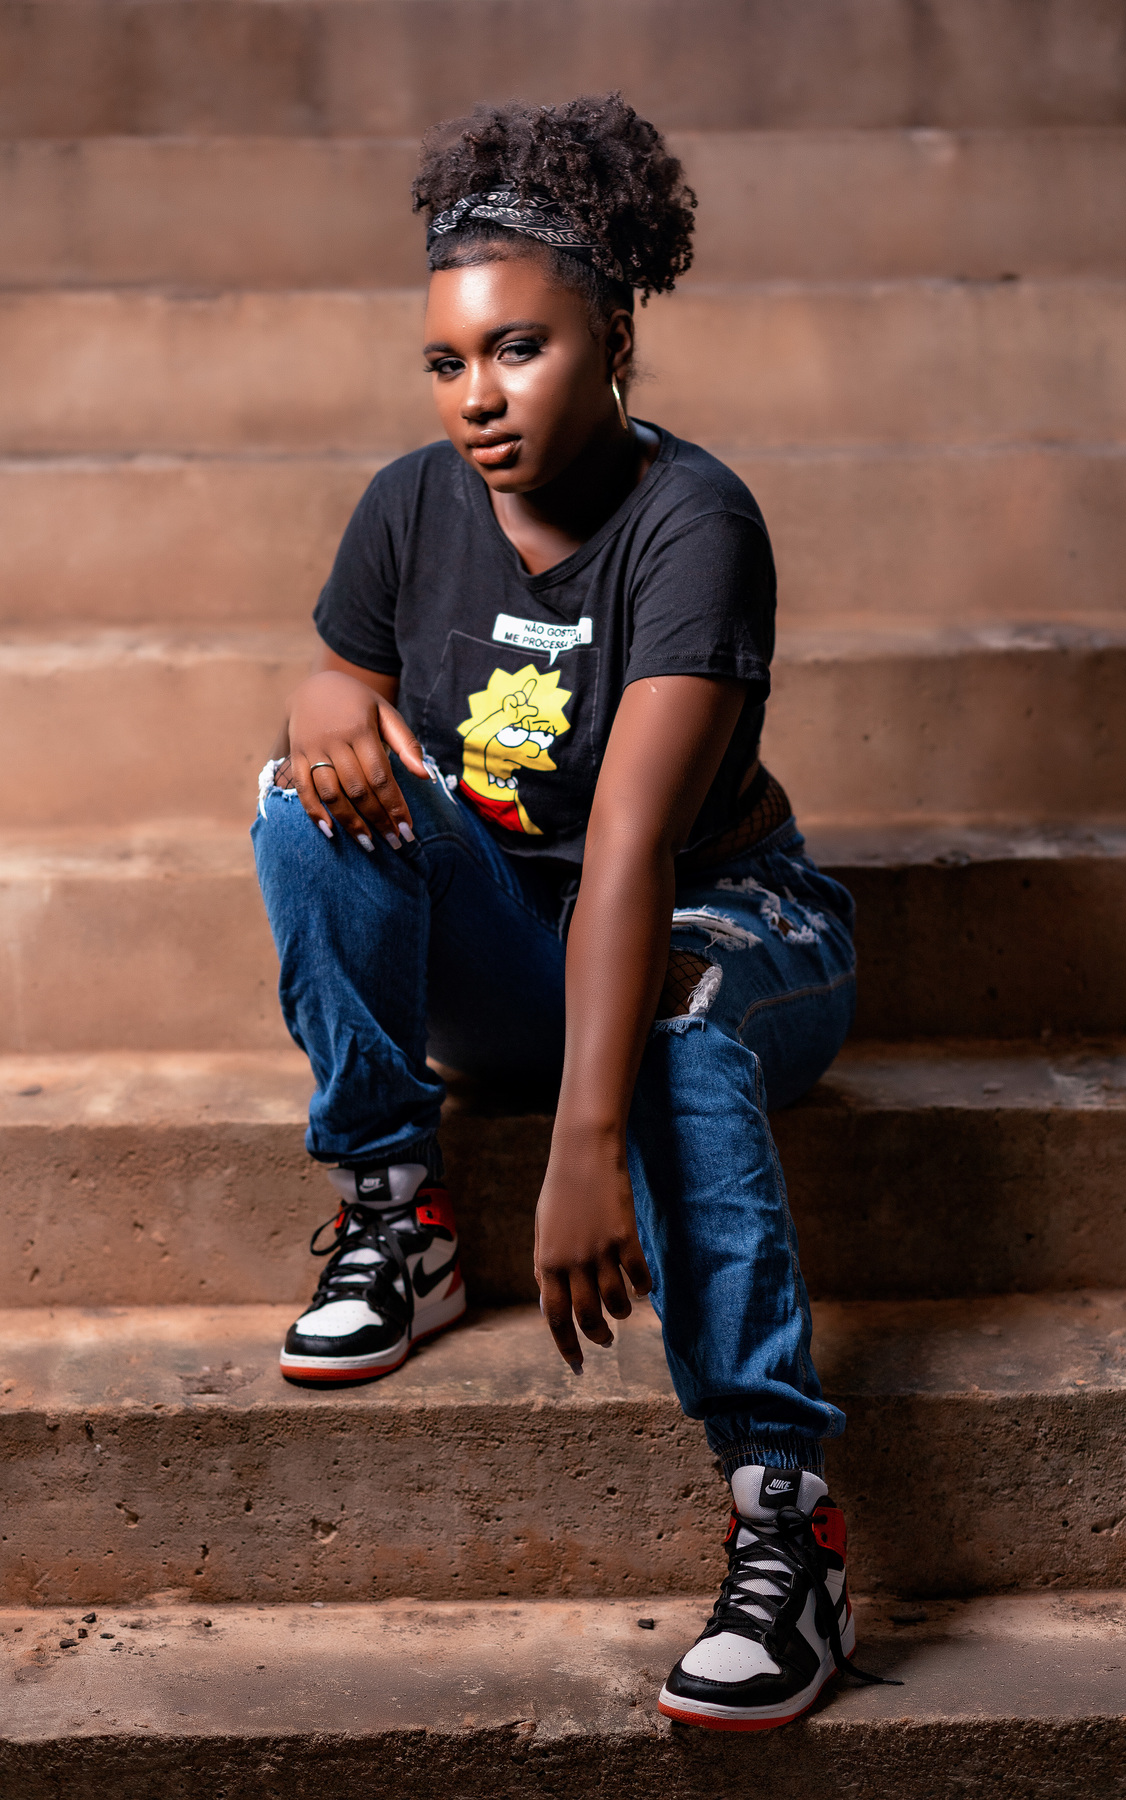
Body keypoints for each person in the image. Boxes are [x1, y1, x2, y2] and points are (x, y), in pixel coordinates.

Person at [252, 93, 881, 1732]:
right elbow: (338, 675)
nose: (478, 396)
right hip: (516, 933)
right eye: (448, 361)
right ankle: (400, 1208)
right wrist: (323, 710)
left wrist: (584, 1147)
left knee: (679, 1033)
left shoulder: (695, 524)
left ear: (615, 336)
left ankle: (786, 1521)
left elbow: (631, 853)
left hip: (724, 915)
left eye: (519, 350)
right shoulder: (411, 504)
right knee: (295, 797)